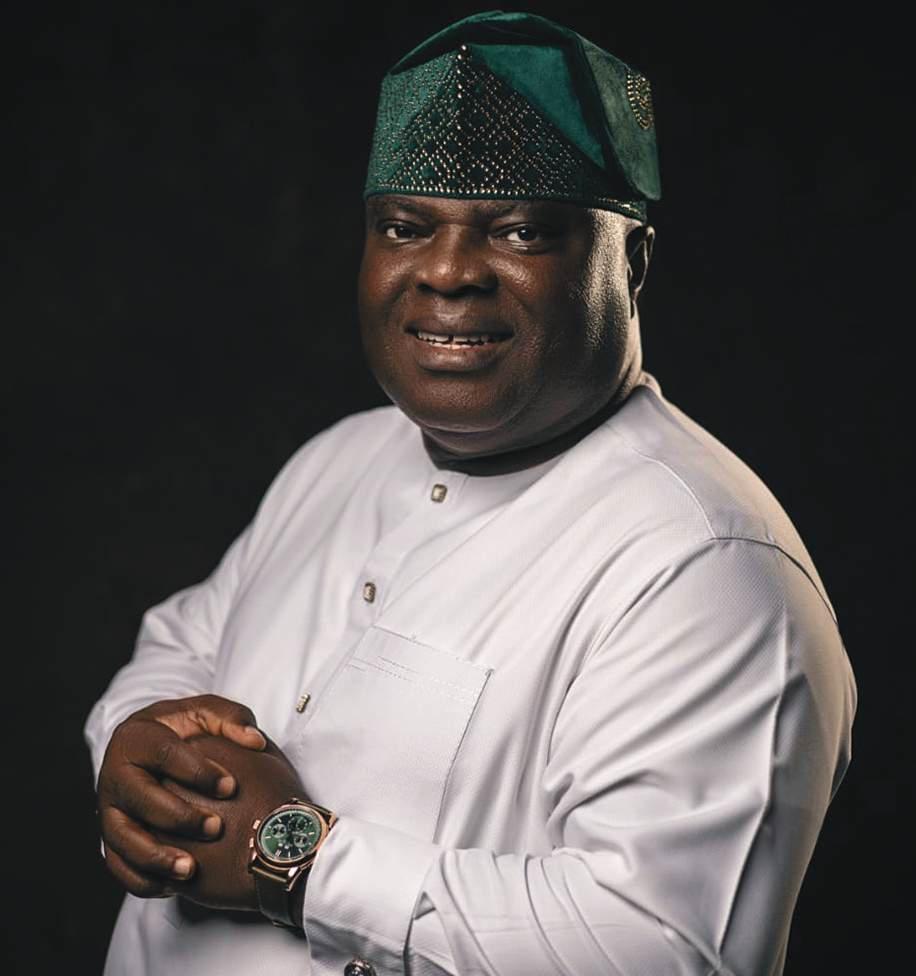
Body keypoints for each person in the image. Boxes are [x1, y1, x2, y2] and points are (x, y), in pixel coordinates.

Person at [85, 11, 857, 976]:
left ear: (632, 264)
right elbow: (186, 640)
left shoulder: (705, 566)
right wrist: (140, 741)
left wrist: (301, 862)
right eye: (405, 228)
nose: (448, 272)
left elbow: (667, 948)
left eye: (521, 231)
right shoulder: (341, 457)